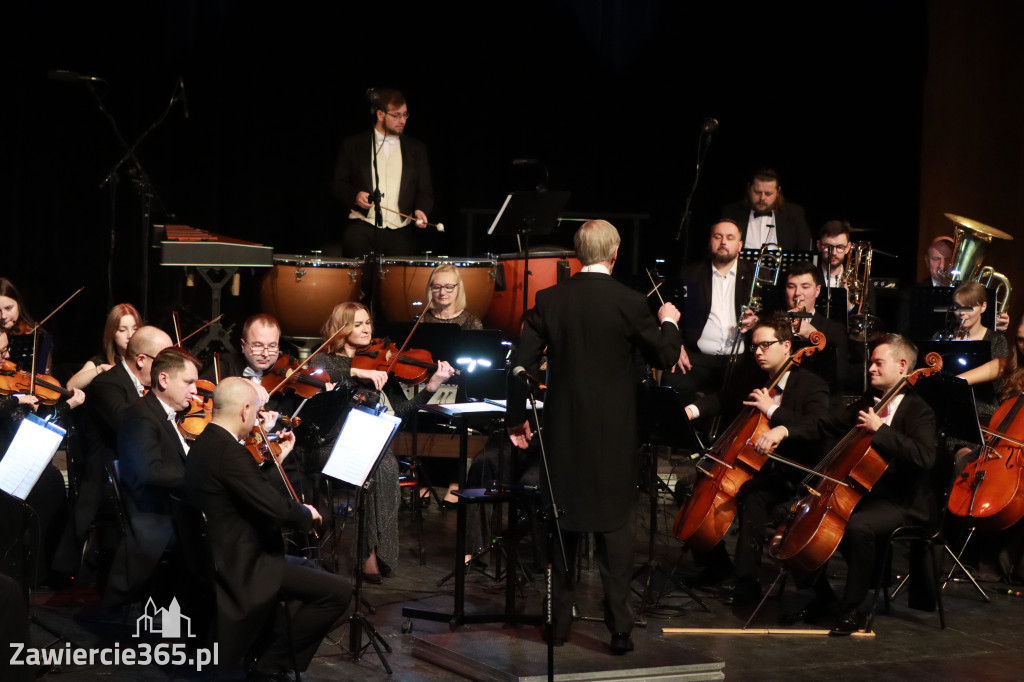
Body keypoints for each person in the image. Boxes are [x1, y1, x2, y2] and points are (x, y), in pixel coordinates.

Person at [507, 219, 681, 654]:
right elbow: (665, 354)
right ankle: (619, 630)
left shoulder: (550, 299)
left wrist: (516, 418)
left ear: (576, 254)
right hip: (614, 436)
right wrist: (669, 321)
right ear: (615, 253)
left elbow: (520, 364)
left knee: (561, 523)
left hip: (563, 433)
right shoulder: (630, 302)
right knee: (615, 529)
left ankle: (557, 624)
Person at [755, 334, 938, 634]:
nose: (871, 369)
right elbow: (823, 422)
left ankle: (855, 607)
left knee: (857, 527)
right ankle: (823, 596)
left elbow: (925, 457)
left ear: (902, 366)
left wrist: (881, 430)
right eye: (871, 363)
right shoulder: (869, 400)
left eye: (879, 363)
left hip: (903, 502)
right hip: (864, 494)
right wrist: (784, 430)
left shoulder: (920, 410)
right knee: (790, 515)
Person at [185, 378, 351, 677]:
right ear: (245, 410)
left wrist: (277, 458)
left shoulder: (208, 443)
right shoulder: (228, 452)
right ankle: (271, 665)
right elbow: (275, 507)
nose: (258, 420)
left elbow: (251, 489)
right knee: (337, 591)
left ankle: (267, 651)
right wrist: (308, 515)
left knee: (312, 569)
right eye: (257, 412)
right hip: (247, 562)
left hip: (230, 552)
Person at [680, 315, 829, 602]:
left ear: (787, 346)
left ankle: (747, 582)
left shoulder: (811, 385)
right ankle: (716, 566)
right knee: (688, 486)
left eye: (765, 345)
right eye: (755, 347)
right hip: (751, 465)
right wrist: (690, 410)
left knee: (753, 497)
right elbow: (724, 398)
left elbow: (816, 425)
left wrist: (773, 412)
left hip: (791, 472)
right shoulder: (756, 378)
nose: (758, 352)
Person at [309, 301, 455, 582]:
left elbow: (400, 412)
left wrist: (432, 387)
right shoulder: (326, 360)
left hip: (365, 444)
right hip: (329, 445)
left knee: (386, 466)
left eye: (368, 323)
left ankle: (376, 551)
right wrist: (358, 372)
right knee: (377, 468)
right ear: (341, 328)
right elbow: (317, 373)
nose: (366, 329)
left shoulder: (379, 364)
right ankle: (369, 555)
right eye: (358, 324)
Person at [105, 347, 200, 606]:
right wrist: (202, 477)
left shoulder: (163, 413)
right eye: (189, 382)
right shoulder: (141, 415)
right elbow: (150, 472)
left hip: (172, 507)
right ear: (164, 380)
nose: (195, 391)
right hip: (156, 516)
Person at [664, 219, 757, 413]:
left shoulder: (754, 275)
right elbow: (675, 314)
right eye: (718, 237)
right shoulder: (691, 273)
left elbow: (771, 317)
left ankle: (705, 419)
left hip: (740, 359)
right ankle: (695, 427)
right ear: (710, 242)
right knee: (672, 383)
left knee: (750, 391)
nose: (723, 242)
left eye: (730, 238)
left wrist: (756, 321)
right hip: (698, 358)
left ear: (740, 245)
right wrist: (677, 345)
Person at [332, 87, 434, 258]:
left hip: (400, 232)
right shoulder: (353, 145)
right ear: (380, 115)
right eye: (396, 115)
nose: (402, 120)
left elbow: (425, 190)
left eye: (405, 115)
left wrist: (421, 209)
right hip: (362, 227)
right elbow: (338, 184)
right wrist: (356, 196)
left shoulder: (417, 150)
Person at [783, 260, 849, 395]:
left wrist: (814, 335)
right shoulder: (774, 326)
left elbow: (840, 375)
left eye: (805, 287)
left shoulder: (835, 330)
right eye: (791, 286)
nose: (797, 293)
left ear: (817, 291)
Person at [720, 168, 812, 251]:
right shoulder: (731, 212)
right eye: (757, 192)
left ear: (778, 192)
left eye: (768, 194)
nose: (762, 198)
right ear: (749, 189)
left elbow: (805, 251)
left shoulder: (794, 213)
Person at [66, 303, 142, 391]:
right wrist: (100, 369)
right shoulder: (103, 360)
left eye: (135, 329)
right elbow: (70, 386)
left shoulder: (147, 358)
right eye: (122, 330)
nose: (130, 335)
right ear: (112, 333)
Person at [0, 277, 54, 373]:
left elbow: (44, 372)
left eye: (8, 308)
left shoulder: (35, 335)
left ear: (19, 305)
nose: (3, 316)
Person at [420, 263, 483, 329]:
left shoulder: (472, 323)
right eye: (436, 287)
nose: (442, 293)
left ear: (459, 288)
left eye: (448, 287)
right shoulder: (421, 320)